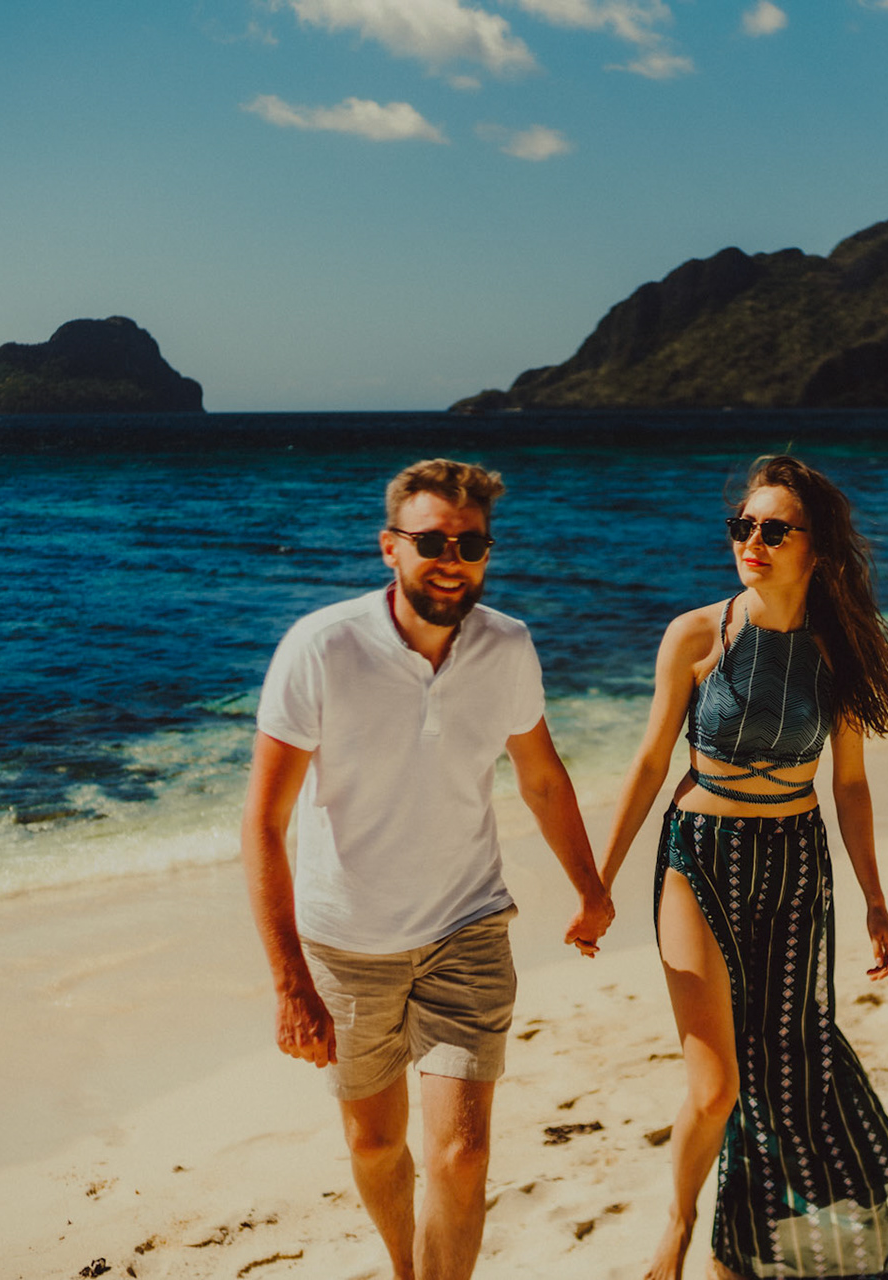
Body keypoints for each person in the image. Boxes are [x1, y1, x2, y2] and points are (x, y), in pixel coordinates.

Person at [241, 457, 615, 1280]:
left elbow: (543, 777)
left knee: (461, 1156)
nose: (451, 557)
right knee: (376, 1146)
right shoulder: (323, 647)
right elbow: (264, 824)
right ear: (390, 547)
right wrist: (289, 983)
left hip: (467, 927)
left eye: (471, 544)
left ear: (488, 552)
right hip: (347, 944)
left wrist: (590, 887)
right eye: (432, 540)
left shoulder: (507, 645)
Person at [599, 454, 888, 1280]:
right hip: (699, 860)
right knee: (716, 1086)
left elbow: (849, 783)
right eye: (744, 525)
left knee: (787, 1064)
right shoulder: (697, 636)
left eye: (775, 529)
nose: (753, 541)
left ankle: (736, 1253)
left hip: (794, 864)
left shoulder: (839, 650)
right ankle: (676, 1226)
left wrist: (876, 901)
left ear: (818, 546)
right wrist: (596, 883)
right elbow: (645, 766)